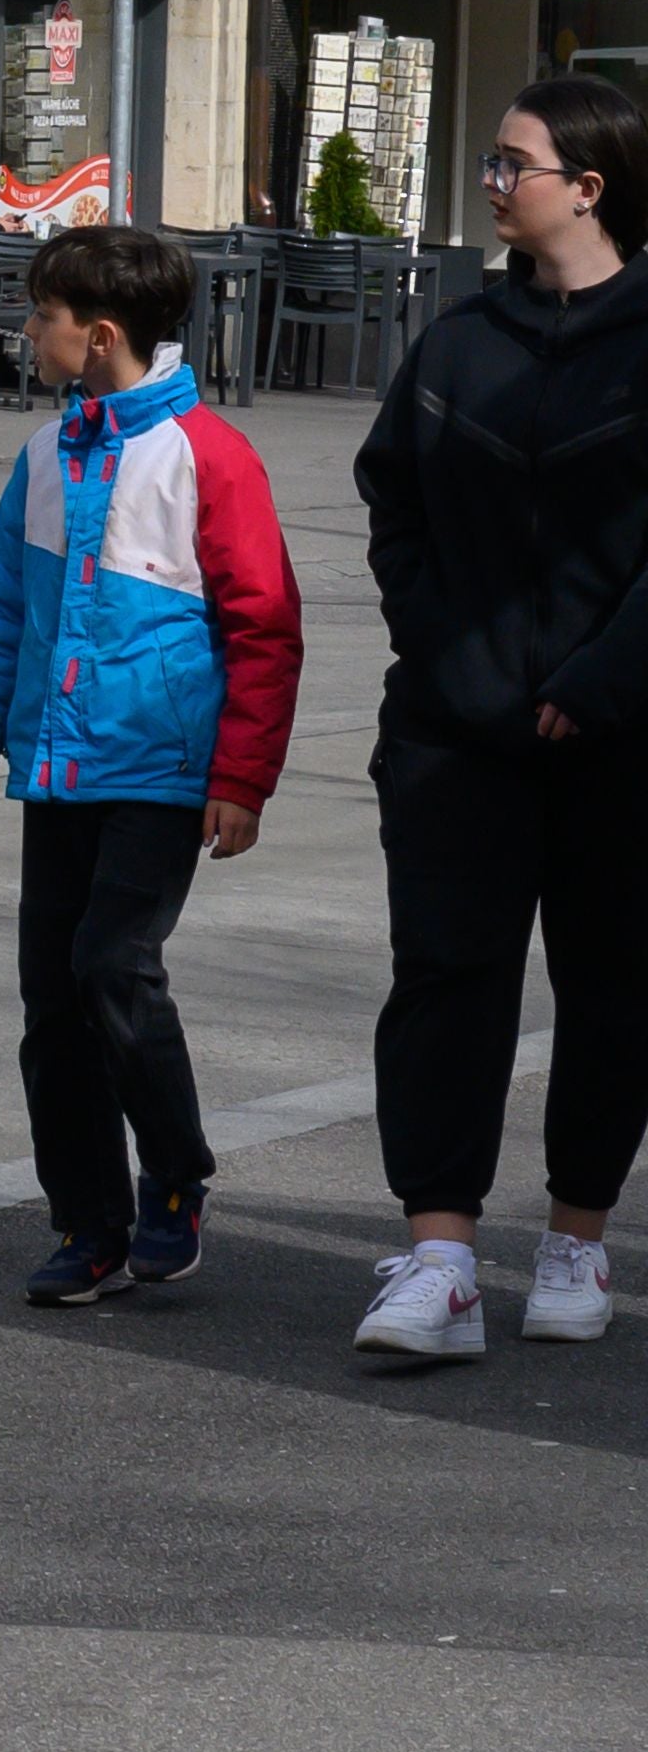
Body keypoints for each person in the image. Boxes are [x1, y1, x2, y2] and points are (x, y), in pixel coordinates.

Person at [0, 222, 299, 1306]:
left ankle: (175, 1175)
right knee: (52, 1003)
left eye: (39, 315)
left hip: (160, 775)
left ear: (97, 337)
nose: (25, 329)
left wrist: (241, 778)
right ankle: (88, 1223)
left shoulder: (208, 455)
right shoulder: (44, 458)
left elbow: (265, 629)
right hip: (58, 774)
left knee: (112, 965)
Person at [349, 72, 648, 1362]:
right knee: (446, 983)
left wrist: (599, 682)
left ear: (588, 186)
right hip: (453, 731)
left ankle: (577, 1240)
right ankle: (441, 1260)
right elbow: (392, 500)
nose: (490, 177)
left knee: (614, 991)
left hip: (624, 739)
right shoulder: (459, 338)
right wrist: (439, 645)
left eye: (511, 161)